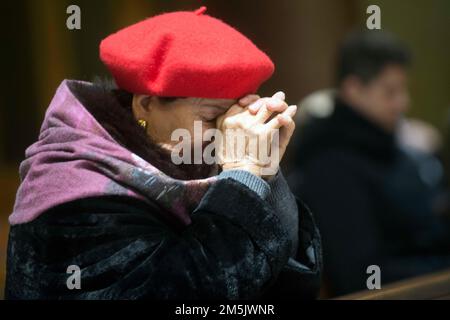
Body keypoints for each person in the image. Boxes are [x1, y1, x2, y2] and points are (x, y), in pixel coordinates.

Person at [5, 7, 321, 300]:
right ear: (146, 103)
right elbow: (188, 292)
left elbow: (289, 287)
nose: (228, 132)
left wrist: (264, 173)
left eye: (236, 116)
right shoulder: (75, 181)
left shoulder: (198, 156)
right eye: (212, 118)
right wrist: (241, 179)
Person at [289, 30, 450, 296]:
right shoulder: (329, 163)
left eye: (403, 90)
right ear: (354, 89)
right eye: (391, 92)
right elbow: (362, 274)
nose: (403, 102)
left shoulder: (387, 144)